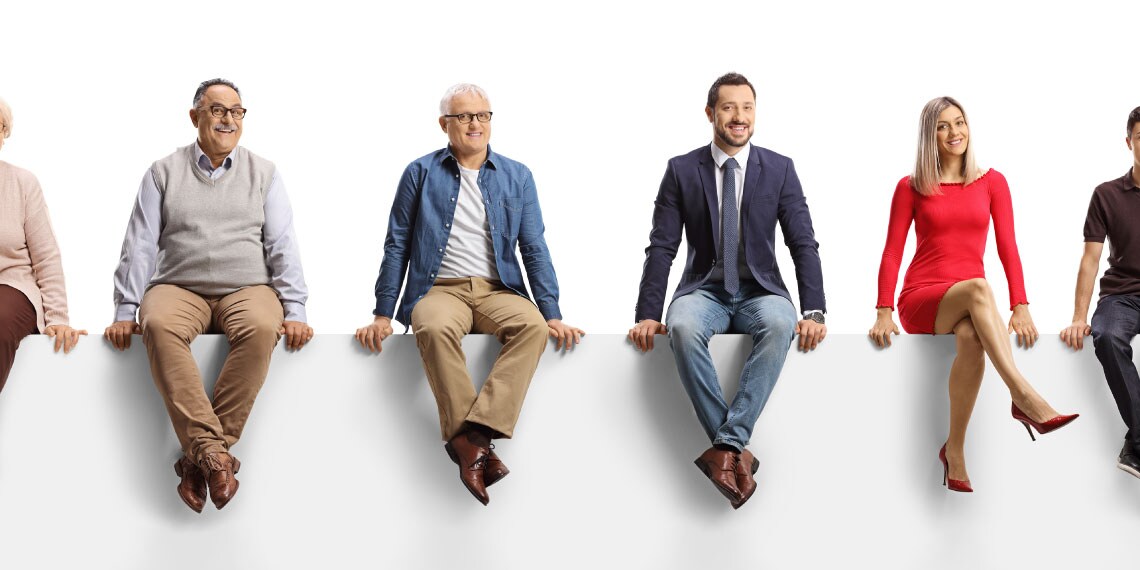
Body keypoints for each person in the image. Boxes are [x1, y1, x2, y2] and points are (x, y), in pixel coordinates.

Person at [355, 83, 584, 506]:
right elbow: (397, 243)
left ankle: (471, 440)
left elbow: (533, 247)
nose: (474, 124)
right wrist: (383, 312)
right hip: (439, 288)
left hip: (499, 288)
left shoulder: (518, 175)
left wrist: (551, 311)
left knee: (531, 327)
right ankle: (477, 446)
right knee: (433, 326)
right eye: (463, 116)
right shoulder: (419, 172)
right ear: (445, 124)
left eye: (482, 116)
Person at [104, 79, 313, 512]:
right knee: (157, 325)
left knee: (261, 327)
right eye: (217, 110)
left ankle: (202, 458)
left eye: (237, 111)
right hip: (179, 285)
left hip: (247, 287)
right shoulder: (162, 172)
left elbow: (282, 244)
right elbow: (140, 244)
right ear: (194, 116)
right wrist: (126, 308)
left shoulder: (264, 173)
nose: (228, 119)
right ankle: (217, 457)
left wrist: (295, 308)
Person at [628, 72, 827, 509]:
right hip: (705, 289)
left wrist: (813, 309)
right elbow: (662, 246)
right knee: (680, 328)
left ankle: (726, 448)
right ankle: (736, 450)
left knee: (780, 324)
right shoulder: (682, 169)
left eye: (747, 108)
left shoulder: (779, 168)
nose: (739, 117)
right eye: (729, 108)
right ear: (710, 114)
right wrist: (647, 312)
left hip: (761, 290)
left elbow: (802, 242)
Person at [871, 96, 1078, 493]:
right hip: (923, 298)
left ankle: (955, 451)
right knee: (980, 288)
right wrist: (883, 309)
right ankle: (1023, 395)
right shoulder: (911, 186)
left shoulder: (992, 182)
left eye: (959, 122)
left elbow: (1008, 246)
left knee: (971, 338)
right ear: (929, 135)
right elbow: (892, 250)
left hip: (970, 305)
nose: (954, 133)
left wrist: (1021, 305)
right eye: (943, 126)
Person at [1060, 106, 1140, 479]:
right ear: (1129, 142)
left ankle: (1136, 444)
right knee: (1106, 336)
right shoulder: (1106, 195)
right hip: (1121, 296)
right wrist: (1079, 316)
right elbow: (1090, 260)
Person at [0, 96, 85, 394]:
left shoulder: (23, 183)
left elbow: (46, 256)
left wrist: (58, 318)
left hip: (12, 285)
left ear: (3, 132)